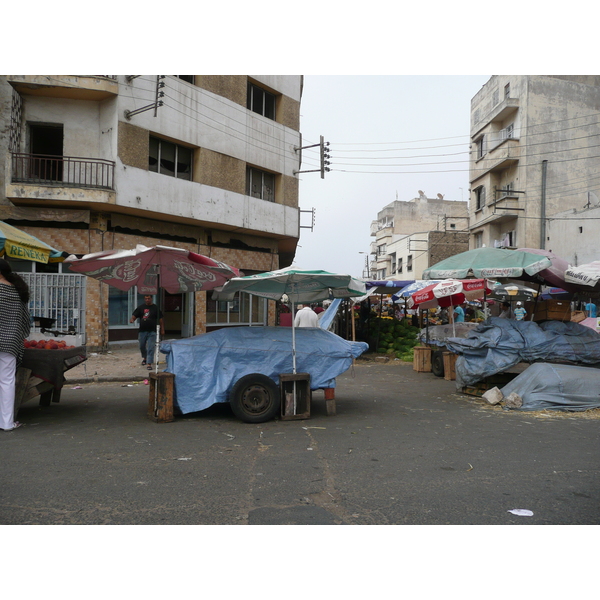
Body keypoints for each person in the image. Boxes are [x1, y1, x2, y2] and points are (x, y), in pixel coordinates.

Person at [0, 259, 31, 431]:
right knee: (7, 381)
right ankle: (7, 423)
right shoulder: (18, 292)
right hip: (10, 342)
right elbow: (25, 321)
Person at [130, 295, 164, 370]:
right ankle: (145, 358)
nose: (147, 300)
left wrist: (162, 329)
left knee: (151, 347)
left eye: (149, 298)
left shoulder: (155, 308)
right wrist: (132, 320)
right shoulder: (141, 307)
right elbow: (135, 315)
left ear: (151, 299)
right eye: (146, 298)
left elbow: (161, 319)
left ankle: (149, 363)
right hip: (142, 331)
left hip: (152, 331)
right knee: (142, 345)